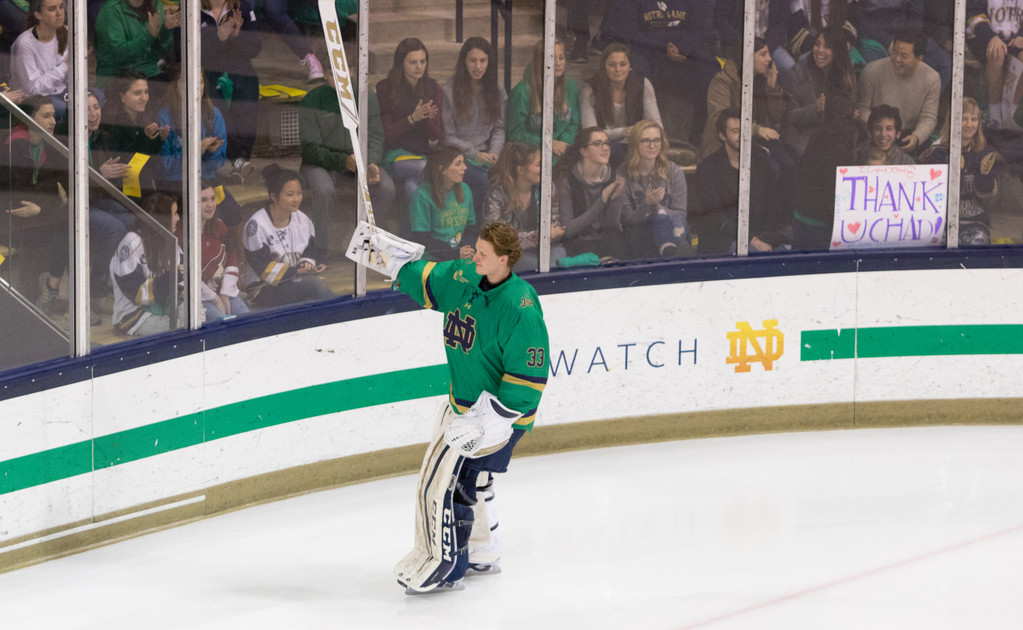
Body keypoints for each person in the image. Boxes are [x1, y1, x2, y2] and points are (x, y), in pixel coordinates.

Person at [390, 221, 549, 592]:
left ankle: (451, 565)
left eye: (482, 253)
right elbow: (429, 279)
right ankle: (483, 551)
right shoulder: (463, 276)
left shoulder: (520, 307)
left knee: (457, 485)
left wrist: (496, 419)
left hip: (500, 417)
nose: (472, 255)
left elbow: (530, 372)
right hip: (460, 406)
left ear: (504, 260)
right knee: (476, 482)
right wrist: (394, 262)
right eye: (475, 248)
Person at [300, 44, 394, 258]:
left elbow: (376, 136)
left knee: (386, 187)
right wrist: (343, 161)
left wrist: (371, 161)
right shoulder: (312, 100)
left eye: (344, 71)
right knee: (324, 190)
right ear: (325, 74)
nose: (339, 77)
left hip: (357, 163)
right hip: (321, 165)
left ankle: (360, 242)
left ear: (352, 71)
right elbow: (310, 150)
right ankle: (319, 248)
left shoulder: (366, 97)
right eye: (333, 72)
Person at [0, 95, 68, 315]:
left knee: (67, 231)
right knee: (63, 229)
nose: (53, 121)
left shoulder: (48, 145)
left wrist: (43, 203)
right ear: (28, 119)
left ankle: (50, 289)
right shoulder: (15, 146)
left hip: (34, 216)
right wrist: (51, 194)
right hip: (11, 220)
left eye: (54, 116)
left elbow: (63, 181)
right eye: (46, 116)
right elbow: (22, 195)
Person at [693, 107, 785, 256]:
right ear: (722, 135)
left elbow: (772, 206)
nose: (742, 136)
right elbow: (715, 216)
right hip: (724, 239)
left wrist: (765, 237)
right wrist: (751, 240)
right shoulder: (708, 168)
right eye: (735, 131)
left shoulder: (762, 162)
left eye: (744, 130)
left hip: (759, 236)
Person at [241, 164, 334, 308]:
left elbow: (308, 253)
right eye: (290, 195)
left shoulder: (303, 221)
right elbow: (263, 269)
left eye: (299, 193)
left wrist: (307, 266)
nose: (296, 199)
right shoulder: (257, 225)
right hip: (262, 288)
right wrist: (297, 271)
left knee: (309, 303)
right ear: (274, 197)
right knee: (313, 287)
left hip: (292, 281)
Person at [921, 97, 1003, 246]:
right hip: (942, 223)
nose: (969, 125)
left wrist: (984, 176)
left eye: (973, 119)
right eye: (964, 119)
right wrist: (957, 170)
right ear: (953, 120)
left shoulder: (984, 152)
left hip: (975, 222)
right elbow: (931, 196)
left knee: (978, 244)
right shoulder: (937, 152)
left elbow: (989, 197)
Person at [377, 37, 443, 217]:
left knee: (413, 189)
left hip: (421, 153)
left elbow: (435, 135)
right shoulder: (385, 87)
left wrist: (428, 118)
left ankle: (412, 237)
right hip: (394, 155)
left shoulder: (432, 87)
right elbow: (387, 133)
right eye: (413, 62)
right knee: (426, 169)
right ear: (401, 63)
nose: (419, 66)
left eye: (423, 61)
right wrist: (412, 119)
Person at [441, 37, 506, 220]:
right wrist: (473, 154)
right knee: (481, 180)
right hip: (458, 155)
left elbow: (499, 128)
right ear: (464, 62)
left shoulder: (497, 89)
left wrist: (494, 151)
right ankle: (473, 230)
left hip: (488, 154)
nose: (478, 66)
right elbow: (447, 136)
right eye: (473, 60)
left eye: (483, 61)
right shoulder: (449, 91)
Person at [109, 192, 187, 336]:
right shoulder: (132, 242)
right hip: (134, 315)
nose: (178, 218)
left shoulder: (170, 241)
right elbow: (136, 292)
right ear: (161, 218)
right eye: (174, 214)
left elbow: (181, 276)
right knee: (181, 329)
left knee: (197, 318)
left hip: (164, 307)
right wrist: (171, 280)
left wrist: (182, 290)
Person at [792, 94, 862, 250]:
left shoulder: (815, 138)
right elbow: (831, 198)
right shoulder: (841, 150)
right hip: (819, 229)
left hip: (800, 222)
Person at [200, 0, 261, 181]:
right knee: (217, 112)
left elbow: (255, 48)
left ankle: (240, 160)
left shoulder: (242, 7)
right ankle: (222, 163)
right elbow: (185, 53)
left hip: (240, 71)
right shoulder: (191, 9)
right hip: (208, 73)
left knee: (247, 96)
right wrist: (218, 37)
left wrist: (236, 36)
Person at [482, 142, 566, 271]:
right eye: (539, 165)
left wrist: (549, 234)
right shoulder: (498, 194)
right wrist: (540, 235)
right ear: (521, 170)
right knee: (539, 265)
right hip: (509, 254)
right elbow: (498, 239)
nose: (545, 168)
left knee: (560, 255)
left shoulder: (548, 188)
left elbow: (555, 229)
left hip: (543, 249)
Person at [700, 37, 787, 159]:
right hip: (728, 144)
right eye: (763, 54)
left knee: (788, 165)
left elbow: (777, 117)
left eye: (768, 54)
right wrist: (757, 130)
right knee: (772, 169)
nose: (769, 59)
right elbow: (719, 119)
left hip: (757, 140)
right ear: (748, 57)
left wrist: (771, 89)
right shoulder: (724, 80)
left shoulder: (762, 79)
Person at [856, 29, 940, 154]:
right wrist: (880, 131)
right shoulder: (872, 70)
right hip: (876, 130)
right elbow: (863, 107)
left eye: (904, 56)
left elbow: (929, 118)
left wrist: (917, 137)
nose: (896, 59)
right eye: (894, 52)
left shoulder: (932, 78)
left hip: (908, 134)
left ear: (919, 58)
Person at [580, 43, 662, 168]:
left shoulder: (643, 85)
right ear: (604, 67)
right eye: (612, 65)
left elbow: (657, 125)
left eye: (623, 64)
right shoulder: (590, 89)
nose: (618, 69)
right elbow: (590, 134)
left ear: (630, 67)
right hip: (603, 145)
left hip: (635, 142)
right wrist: (622, 132)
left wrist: (639, 133)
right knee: (615, 151)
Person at [618, 120, 691, 259]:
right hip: (640, 236)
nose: (652, 146)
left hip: (674, 229)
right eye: (646, 141)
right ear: (635, 144)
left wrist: (658, 210)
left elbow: (681, 214)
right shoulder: (622, 174)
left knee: (667, 220)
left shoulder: (673, 171)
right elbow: (627, 220)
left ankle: (670, 251)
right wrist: (647, 205)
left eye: (657, 140)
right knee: (679, 241)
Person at [175, 181, 248, 321]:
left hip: (221, 292)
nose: (210, 205)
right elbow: (184, 277)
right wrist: (215, 298)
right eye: (203, 200)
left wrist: (225, 294)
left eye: (212, 199)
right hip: (196, 296)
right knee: (221, 320)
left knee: (244, 317)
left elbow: (231, 257)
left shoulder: (219, 226)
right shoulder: (180, 234)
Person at [781, 26, 857, 156]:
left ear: (837, 51)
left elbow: (850, 104)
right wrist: (815, 110)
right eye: (817, 44)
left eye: (827, 47)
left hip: (835, 132)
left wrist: (850, 112)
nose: (820, 51)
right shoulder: (797, 73)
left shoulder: (846, 73)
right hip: (803, 133)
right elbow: (789, 116)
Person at [554, 127, 625, 259]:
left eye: (606, 143)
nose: (605, 148)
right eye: (598, 143)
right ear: (584, 151)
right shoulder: (567, 179)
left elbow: (611, 227)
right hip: (578, 243)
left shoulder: (615, 178)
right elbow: (568, 230)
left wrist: (615, 201)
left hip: (605, 242)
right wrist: (601, 202)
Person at [154, 65, 227, 192]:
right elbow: (162, 164)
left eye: (199, 82)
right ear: (175, 86)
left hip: (206, 180)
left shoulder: (214, 113)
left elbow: (219, 162)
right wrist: (195, 152)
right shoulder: (163, 116)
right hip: (174, 182)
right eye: (187, 81)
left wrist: (210, 151)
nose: (195, 87)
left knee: (230, 206)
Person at [506, 37, 579, 162]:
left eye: (561, 58)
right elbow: (515, 133)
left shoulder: (570, 86)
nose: (558, 63)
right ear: (540, 61)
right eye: (552, 58)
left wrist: (563, 143)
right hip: (531, 155)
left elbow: (574, 123)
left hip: (562, 151)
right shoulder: (522, 91)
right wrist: (548, 143)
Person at [98, 74, 169, 200]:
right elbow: (124, 165)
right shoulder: (110, 123)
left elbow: (150, 161)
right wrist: (145, 139)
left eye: (146, 92)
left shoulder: (145, 118)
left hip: (143, 187)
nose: (144, 98)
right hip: (121, 194)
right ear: (122, 96)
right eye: (137, 93)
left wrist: (158, 140)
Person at [409, 146, 476, 261]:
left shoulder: (465, 190)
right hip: (432, 260)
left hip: (459, 256)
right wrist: (454, 253)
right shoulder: (422, 195)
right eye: (458, 163)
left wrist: (466, 249)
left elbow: (471, 228)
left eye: (463, 162)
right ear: (442, 169)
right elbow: (422, 238)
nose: (465, 167)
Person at [94, 0, 179, 82]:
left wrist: (166, 29)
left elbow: (162, 51)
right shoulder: (111, 10)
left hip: (149, 71)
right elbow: (121, 55)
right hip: (118, 76)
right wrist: (148, 36)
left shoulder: (155, 4)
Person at [9, 0, 68, 110]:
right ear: (38, 14)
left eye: (61, 7)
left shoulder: (68, 32)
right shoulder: (24, 44)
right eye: (52, 9)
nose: (59, 13)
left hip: (62, 93)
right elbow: (33, 89)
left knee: (93, 99)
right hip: (32, 102)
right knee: (62, 108)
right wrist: (65, 66)